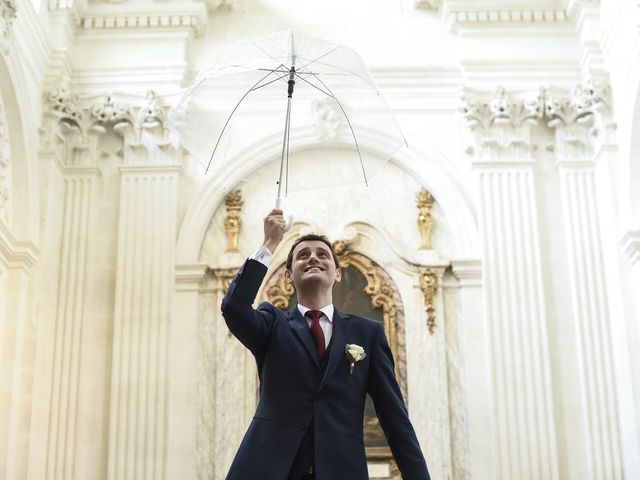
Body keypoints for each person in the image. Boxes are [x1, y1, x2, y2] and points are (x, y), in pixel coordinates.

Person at [221, 209, 430, 480]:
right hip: (268, 469)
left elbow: (394, 419)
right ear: (288, 276)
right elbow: (233, 308)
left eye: (322, 254)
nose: (313, 259)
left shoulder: (368, 333)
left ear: (337, 274)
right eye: (303, 255)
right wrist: (270, 243)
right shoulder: (272, 324)